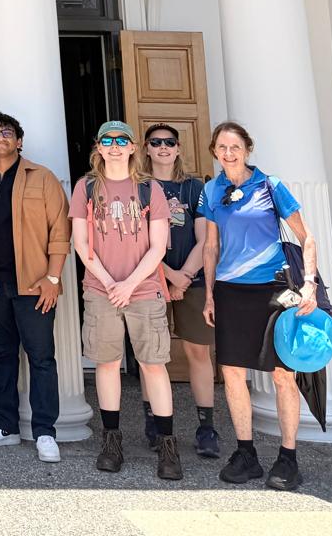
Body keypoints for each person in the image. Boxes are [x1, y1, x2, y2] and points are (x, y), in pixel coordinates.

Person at [201, 121, 320, 492]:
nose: (229, 153)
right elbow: (210, 247)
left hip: (271, 290)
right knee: (233, 373)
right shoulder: (211, 189)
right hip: (229, 292)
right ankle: (246, 453)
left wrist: (309, 284)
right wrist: (208, 294)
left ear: (248, 149)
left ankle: (288, 457)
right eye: (221, 147)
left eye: (235, 146)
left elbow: (306, 237)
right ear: (214, 152)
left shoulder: (270, 185)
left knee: (283, 374)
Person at [70, 120, 181, 480]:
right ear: (98, 147)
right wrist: (109, 282)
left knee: (153, 365)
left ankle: (167, 446)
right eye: (107, 140)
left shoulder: (149, 189)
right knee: (107, 363)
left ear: (133, 147)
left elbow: (158, 245)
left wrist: (129, 284)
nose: (115, 145)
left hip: (144, 290)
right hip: (101, 290)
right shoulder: (86, 187)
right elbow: (81, 245)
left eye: (122, 140)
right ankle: (111, 440)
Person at [0, 111, 70, 464]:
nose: (1, 137)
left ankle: (45, 431)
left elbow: (60, 233)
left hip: (35, 286)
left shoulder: (43, 178)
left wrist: (52, 278)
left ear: (19, 141)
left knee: (41, 358)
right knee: (2, 357)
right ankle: (4, 425)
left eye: (7, 132)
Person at [144, 121, 221, 458]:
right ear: (146, 148)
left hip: (192, 280)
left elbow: (205, 239)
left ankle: (207, 427)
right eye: (156, 142)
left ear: (178, 148)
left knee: (198, 353)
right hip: (149, 279)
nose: (163, 147)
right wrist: (168, 275)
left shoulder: (194, 188)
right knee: (151, 356)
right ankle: (155, 424)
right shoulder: (138, 188)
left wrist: (184, 276)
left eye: (169, 142)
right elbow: (135, 242)